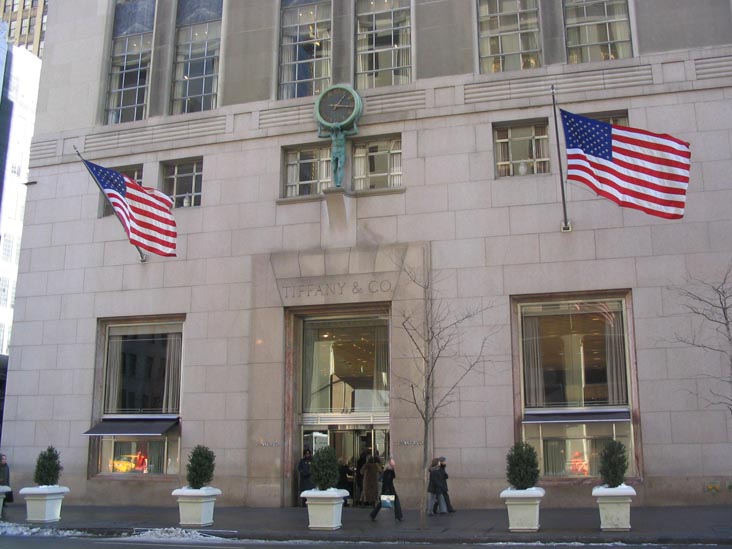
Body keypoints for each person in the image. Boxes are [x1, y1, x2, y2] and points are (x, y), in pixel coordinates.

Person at [0, 454, 10, 519]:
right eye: (3, 459)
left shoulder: (7, 467)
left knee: (3, 498)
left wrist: (8, 485)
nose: (4, 460)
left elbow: (8, 476)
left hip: (5, 484)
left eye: (5, 459)